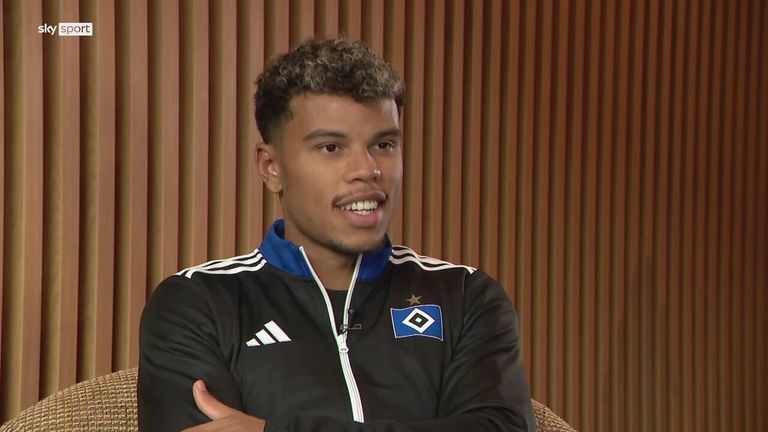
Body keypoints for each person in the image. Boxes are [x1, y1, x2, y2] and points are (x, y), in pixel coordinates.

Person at [138, 37, 535, 432]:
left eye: (383, 144)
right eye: (331, 147)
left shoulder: (465, 296)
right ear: (271, 167)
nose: (367, 169)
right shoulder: (197, 304)